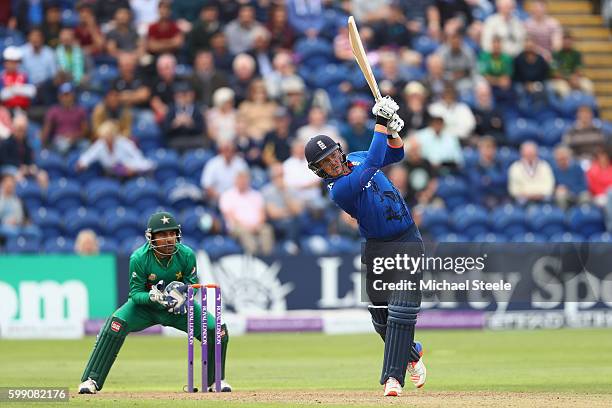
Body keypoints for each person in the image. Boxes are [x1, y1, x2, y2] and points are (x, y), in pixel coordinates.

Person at [304, 96, 426, 397]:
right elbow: (373, 162)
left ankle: (392, 379)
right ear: (320, 171)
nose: (332, 162)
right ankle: (412, 353)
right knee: (380, 318)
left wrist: (394, 131)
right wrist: (381, 122)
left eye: (333, 155)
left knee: (401, 311)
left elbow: (395, 154)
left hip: (408, 240)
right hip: (378, 247)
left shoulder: (357, 155)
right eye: (325, 163)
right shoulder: (340, 191)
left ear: (339, 151)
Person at [78, 211, 232, 394]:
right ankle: (91, 380)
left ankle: (215, 381)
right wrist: (152, 297)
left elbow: (193, 284)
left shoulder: (187, 254)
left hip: (178, 309)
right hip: (146, 308)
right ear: (151, 237)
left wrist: (185, 296)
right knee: (115, 324)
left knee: (216, 329)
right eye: (163, 235)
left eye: (172, 234)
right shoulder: (139, 258)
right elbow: (135, 294)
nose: (169, 239)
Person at [219, 170, 274, 255]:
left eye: (245, 179)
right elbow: (230, 217)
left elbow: (262, 214)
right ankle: (253, 256)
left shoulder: (257, 195)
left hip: (257, 225)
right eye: (241, 179)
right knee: (245, 233)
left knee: (266, 230)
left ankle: (267, 259)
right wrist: (247, 226)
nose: (243, 182)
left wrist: (256, 225)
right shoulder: (227, 195)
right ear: (236, 180)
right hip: (237, 227)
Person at [76, 120, 154, 178]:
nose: (107, 139)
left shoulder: (125, 143)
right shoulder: (100, 144)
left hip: (129, 175)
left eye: (109, 136)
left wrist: (133, 168)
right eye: (104, 137)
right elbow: (88, 156)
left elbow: (141, 159)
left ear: (114, 135)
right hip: (110, 176)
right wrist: (83, 163)